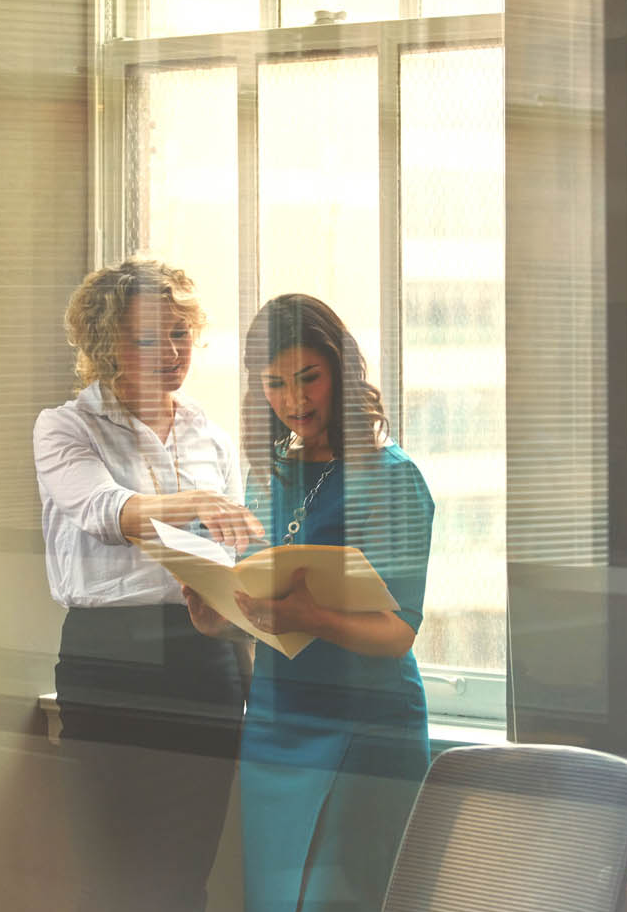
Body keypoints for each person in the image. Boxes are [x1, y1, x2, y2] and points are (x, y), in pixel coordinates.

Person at [185, 293, 435, 912]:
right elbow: (267, 613)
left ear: (341, 373)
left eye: (308, 378)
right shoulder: (267, 475)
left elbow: (399, 631)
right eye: (275, 384)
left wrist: (312, 618)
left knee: (335, 901)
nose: (293, 401)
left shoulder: (390, 476)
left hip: (365, 726)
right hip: (276, 721)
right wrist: (220, 616)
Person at [32, 258, 263, 912]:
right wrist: (193, 502)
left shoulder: (211, 437)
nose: (169, 353)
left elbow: (234, 565)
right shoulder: (66, 427)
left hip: (203, 655)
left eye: (180, 336)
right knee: (112, 872)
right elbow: (107, 513)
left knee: (186, 871)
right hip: (109, 657)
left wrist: (231, 636)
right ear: (107, 346)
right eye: (146, 338)